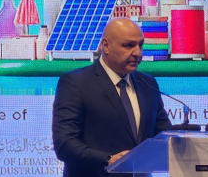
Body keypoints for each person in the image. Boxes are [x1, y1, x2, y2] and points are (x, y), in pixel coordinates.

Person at [52, 17, 171, 177]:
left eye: (140, 45)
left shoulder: (147, 83)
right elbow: (65, 145)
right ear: (106, 46)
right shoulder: (76, 83)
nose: (137, 53)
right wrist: (108, 160)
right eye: (129, 45)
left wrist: (184, 138)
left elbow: (163, 135)